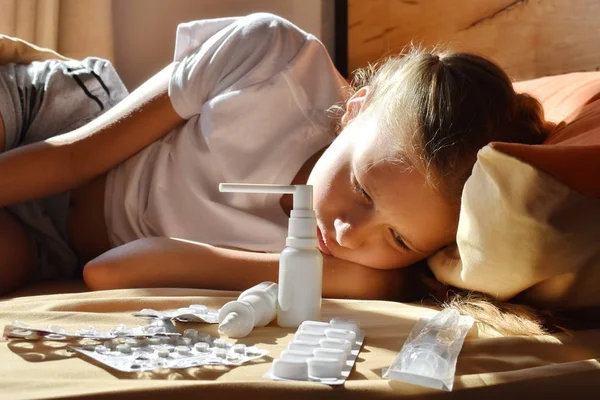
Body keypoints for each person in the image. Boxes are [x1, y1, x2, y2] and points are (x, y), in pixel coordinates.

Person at [0, 13, 551, 300]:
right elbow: (71, 156)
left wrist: (354, 281)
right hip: (51, 123)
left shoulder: (353, 268)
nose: (348, 231)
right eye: (361, 188)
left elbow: (109, 271)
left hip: (57, 250)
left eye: (400, 239)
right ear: (356, 109)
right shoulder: (269, 59)